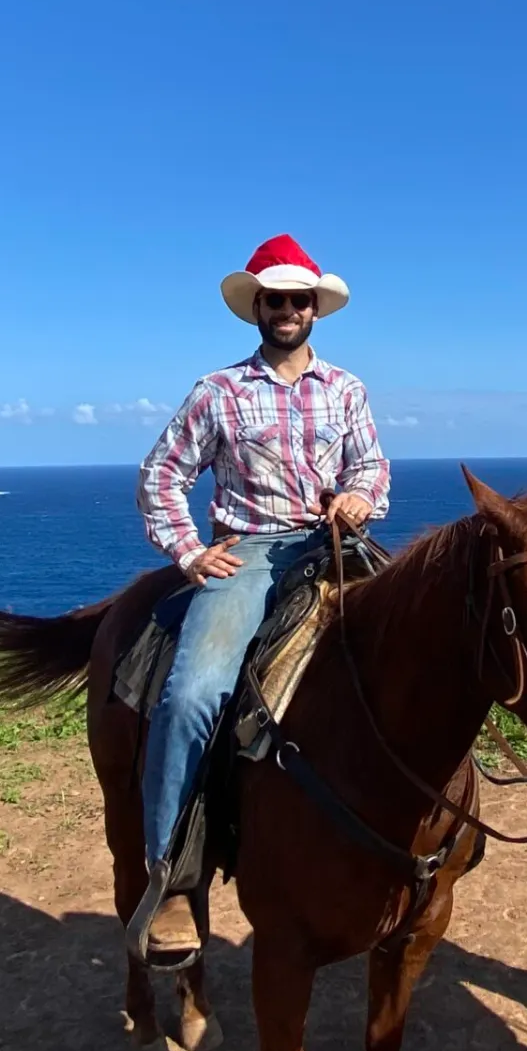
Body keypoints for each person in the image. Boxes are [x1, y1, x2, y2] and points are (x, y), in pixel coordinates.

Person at [128, 233, 390, 962]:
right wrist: (189, 552)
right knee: (193, 692)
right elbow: (161, 476)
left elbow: (370, 463)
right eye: (273, 299)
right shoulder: (218, 393)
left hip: (334, 546)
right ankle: (175, 879)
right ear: (257, 308)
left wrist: (361, 500)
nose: (286, 310)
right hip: (248, 552)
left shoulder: (346, 390)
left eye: (297, 299)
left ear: (315, 309)